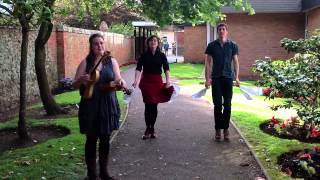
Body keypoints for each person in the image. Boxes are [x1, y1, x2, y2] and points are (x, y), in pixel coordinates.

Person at [73, 33, 127, 180]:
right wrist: (81, 80)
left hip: (107, 104)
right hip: (90, 104)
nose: (99, 46)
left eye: (102, 43)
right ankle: (92, 174)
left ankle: (104, 172)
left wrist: (121, 82)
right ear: (91, 46)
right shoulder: (86, 62)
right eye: (96, 43)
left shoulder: (112, 61)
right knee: (91, 139)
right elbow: (74, 83)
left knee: (105, 138)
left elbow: (118, 78)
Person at [132, 35, 174, 140]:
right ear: (148, 43)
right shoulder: (144, 55)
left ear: (158, 43)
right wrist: (136, 80)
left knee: (154, 105)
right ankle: (147, 128)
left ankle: (152, 128)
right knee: (148, 105)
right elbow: (138, 68)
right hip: (146, 82)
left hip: (157, 82)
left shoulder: (162, 55)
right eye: (151, 41)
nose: (153, 42)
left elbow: (166, 69)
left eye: (155, 40)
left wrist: (168, 80)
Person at [204, 23, 240, 141]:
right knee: (218, 105)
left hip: (228, 78)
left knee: (228, 105)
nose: (221, 31)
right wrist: (207, 79)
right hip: (216, 78)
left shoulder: (232, 45)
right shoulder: (211, 46)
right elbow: (208, 63)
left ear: (227, 31)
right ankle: (218, 130)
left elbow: (235, 62)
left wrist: (237, 77)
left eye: (223, 29)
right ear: (217, 32)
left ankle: (226, 129)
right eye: (219, 29)